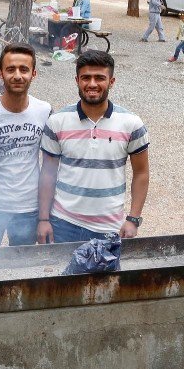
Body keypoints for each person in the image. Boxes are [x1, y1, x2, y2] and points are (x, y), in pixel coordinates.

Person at [37, 50, 150, 244]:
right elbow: (47, 173)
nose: (92, 84)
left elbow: (141, 173)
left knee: (105, 276)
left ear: (111, 82)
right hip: (63, 224)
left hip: (110, 228)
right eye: (86, 78)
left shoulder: (132, 123)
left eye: (100, 78)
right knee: (62, 275)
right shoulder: (57, 122)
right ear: (77, 80)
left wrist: (133, 219)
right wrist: (43, 219)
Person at [0, 43, 52, 247]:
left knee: (22, 269)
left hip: (29, 207)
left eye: (24, 69)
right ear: (0, 73)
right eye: (10, 69)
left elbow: (49, 165)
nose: (17, 75)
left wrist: (44, 216)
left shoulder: (44, 111)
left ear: (34, 73)